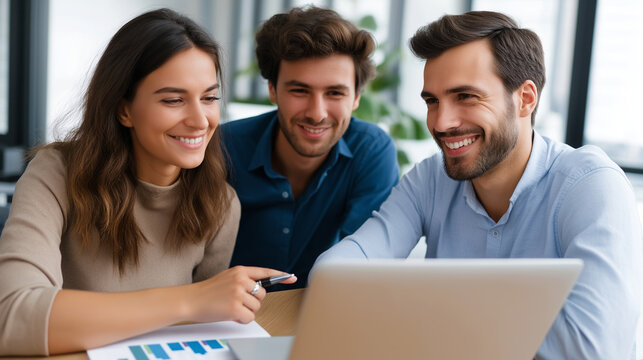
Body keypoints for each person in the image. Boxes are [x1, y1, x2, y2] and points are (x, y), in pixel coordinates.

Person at [316, 11, 642, 359]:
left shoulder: (589, 185)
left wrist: (431, 312)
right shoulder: (430, 180)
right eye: (432, 101)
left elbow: (592, 350)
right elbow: (334, 275)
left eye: (466, 97)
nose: (441, 122)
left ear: (525, 98)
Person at [0, 9, 295, 356]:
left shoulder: (220, 203)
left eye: (210, 97)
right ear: (124, 109)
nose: (200, 120)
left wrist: (212, 304)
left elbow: (199, 332)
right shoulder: (57, 173)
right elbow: (10, 318)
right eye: (173, 100)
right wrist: (193, 299)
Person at [222, 6, 398, 288]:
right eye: (300, 91)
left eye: (335, 93)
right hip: (229, 316)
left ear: (356, 98)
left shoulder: (371, 151)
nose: (317, 113)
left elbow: (367, 265)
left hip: (327, 311)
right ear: (272, 90)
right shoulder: (223, 147)